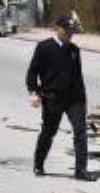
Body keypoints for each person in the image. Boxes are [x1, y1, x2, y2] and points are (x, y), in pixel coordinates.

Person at [26, 15, 93, 181]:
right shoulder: (44, 48)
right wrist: (33, 92)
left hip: (73, 98)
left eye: (73, 32)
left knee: (80, 132)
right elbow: (32, 72)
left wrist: (83, 101)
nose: (71, 35)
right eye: (68, 31)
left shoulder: (74, 50)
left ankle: (80, 171)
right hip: (52, 98)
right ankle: (38, 163)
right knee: (48, 132)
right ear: (58, 29)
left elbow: (78, 77)